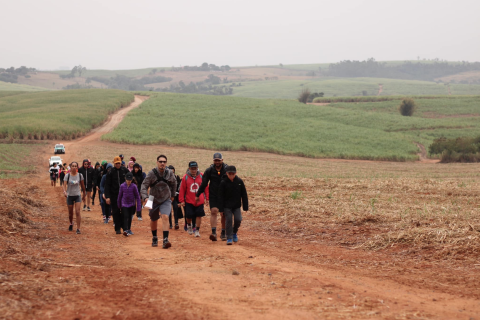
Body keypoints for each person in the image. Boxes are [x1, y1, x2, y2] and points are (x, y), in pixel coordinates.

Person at [141, 155, 177, 248]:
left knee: (165, 216)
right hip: (152, 198)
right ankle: (154, 237)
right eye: (160, 161)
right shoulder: (151, 173)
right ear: (157, 162)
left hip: (166, 198)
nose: (162, 163)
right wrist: (145, 197)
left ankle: (165, 240)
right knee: (153, 219)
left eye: (164, 162)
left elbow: (174, 183)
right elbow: (144, 186)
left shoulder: (169, 173)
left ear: (166, 163)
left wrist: (173, 195)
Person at [196, 152, 228, 241]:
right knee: (214, 211)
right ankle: (213, 232)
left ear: (222, 160)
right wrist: (198, 194)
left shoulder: (227, 170)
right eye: (215, 160)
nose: (217, 162)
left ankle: (223, 232)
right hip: (213, 194)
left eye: (218, 160)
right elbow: (204, 183)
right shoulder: (209, 170)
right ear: (213, 161)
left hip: (224, 195)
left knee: (224, 214)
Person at [218, 165, 248, 245]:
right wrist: (221, 209)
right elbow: (220, 197)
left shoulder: (239, 182)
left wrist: (245, 206)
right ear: (227, 173)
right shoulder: (223, 182)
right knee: (229, 220)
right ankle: (229, 237)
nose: (231, 175)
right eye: (229, 174)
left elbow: (244, 194)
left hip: (236, 206)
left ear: (235, 173)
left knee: (238, 219)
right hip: (227, 206)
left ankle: (234, 232)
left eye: (233, 174)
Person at [179, 161, 208, 237]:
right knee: (189, 215)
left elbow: (206, 187)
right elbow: (182, 189)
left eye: (195, 169)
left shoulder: (202, 176)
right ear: (189, 169)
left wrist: (207, 198)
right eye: (192, 169)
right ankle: (189, 225)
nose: (194, 171)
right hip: (189, 200)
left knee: (199, 215)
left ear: (197, 168)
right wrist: (182, 200)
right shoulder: (185, 177)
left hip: (199, 200)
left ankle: (197, 230)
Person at [105, 156, 129, 234]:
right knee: (115, 212)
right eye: (116, 163)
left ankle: (125, 227)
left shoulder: (125, 170)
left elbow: (130, 181)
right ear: (114, 163)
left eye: (119, 163)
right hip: (114, 195)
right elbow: (107, 185)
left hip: (124, 195)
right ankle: (117, 228)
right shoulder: (110, 172)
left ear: (121, 163)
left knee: (124, 211)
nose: (118, 165)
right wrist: (107, 197)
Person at [62, 162, 86, 234]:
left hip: (77, 195)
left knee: (78, 212)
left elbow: (82, 185)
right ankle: (71, 223)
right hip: (69, 196)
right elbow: (64, 185)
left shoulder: (80, 175)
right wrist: (64, 192)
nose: (74, 167)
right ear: (70, 167)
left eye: (75, 166)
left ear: (77, 167)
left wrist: (84, 194)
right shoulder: (67, 176)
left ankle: (78, 228)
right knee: (70, 213)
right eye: (73, 166)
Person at [118, 172, 142, 237]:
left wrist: (138, 207)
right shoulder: (122, 186)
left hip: (131, 205)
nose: (129, 181)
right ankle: (125, 230)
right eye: (128, 180)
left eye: (130, 180)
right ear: (125, 179)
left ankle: (128, 229)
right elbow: (120, 196)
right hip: (124, 204)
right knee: (125, 216)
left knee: (130, 217)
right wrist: (119, 205)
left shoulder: (134, 186)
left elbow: (137, 197)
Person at [168, 165, 183, 230]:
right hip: (167, 197)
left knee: (175, 209)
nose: (172, 173)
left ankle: (176, 223)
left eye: (173, 172)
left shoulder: (177, 177)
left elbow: (179, 188)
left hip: (175, 196)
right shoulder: (166, 178)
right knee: (169, 211)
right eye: (171, 172)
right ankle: (170, 224)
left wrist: (179, 200)